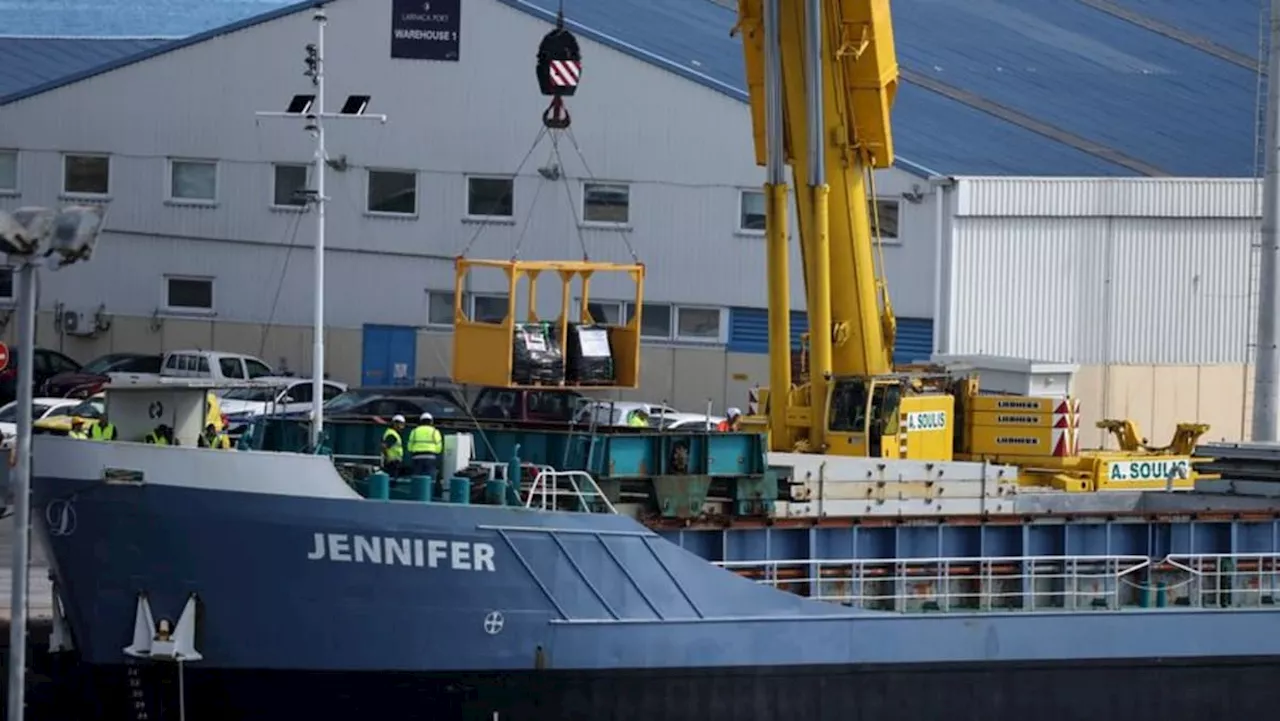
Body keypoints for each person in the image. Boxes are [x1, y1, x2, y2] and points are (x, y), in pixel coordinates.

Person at [405, 411, 444, 485]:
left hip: (417, 457)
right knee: (430, 479)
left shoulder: (415, 431)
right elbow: (439, 447)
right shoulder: (435, 431)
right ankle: (429, 493)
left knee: (417, 478)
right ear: (431, 421)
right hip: (430, 457)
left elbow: (409, 446)